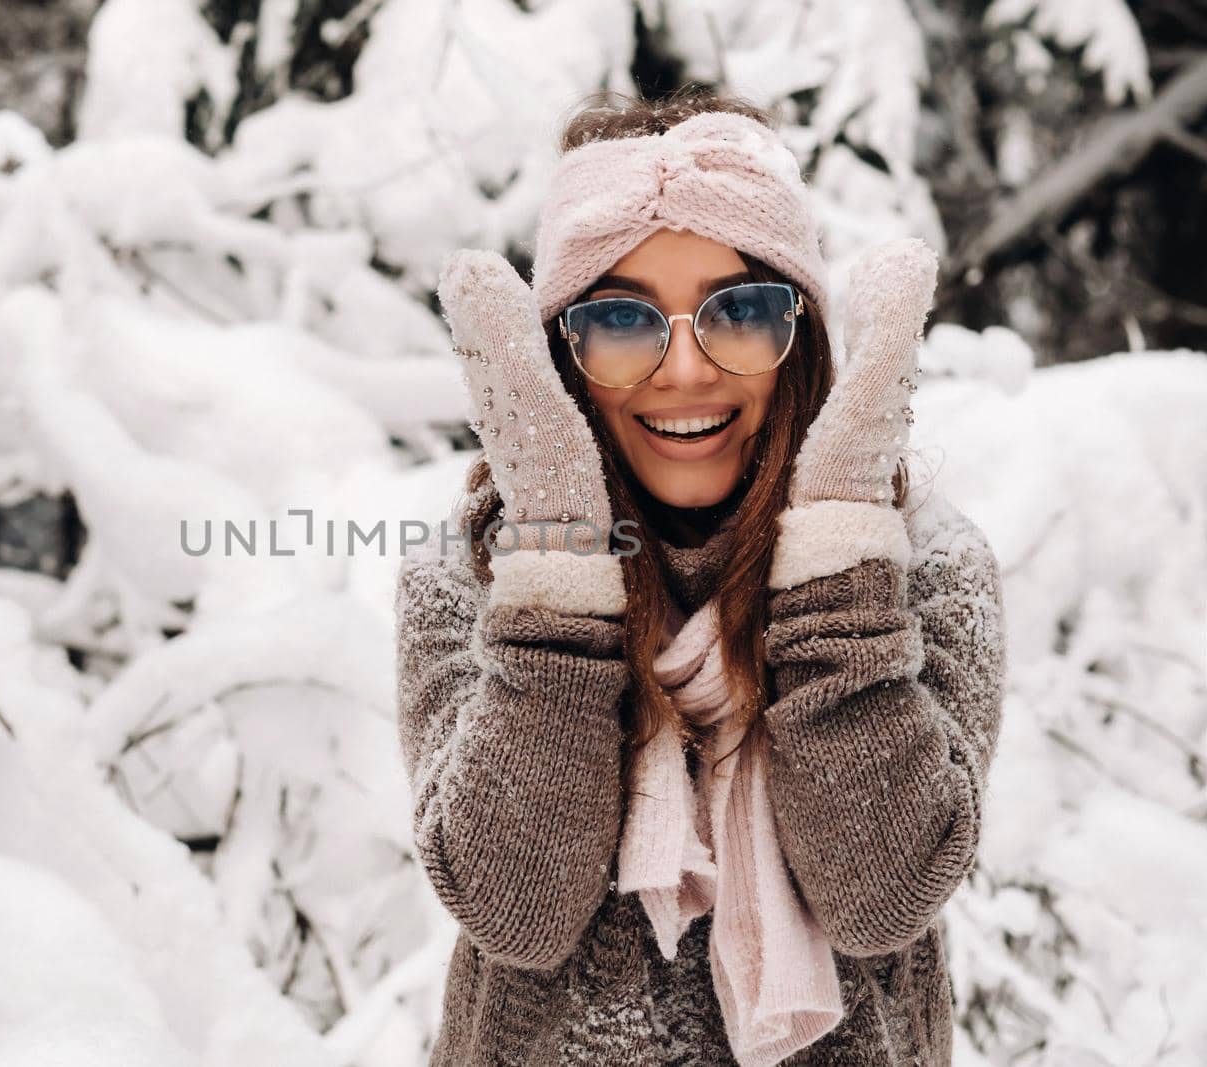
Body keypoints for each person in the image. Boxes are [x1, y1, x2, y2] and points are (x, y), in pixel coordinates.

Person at [393, 86, 1008, 1066]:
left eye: (742, 310)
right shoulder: (467, 584)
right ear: (557, 359)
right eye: (621, 320)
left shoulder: (926, 575)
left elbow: (880, 894)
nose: (683, 368)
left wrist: (838, 544)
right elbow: (518, 910)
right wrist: (556, 554)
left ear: (801, 337)